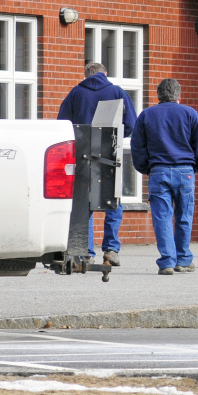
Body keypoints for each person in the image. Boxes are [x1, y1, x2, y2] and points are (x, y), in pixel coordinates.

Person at [57, 61, 138, 266]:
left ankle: (85, 252)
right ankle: (111, 250)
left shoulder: (75, 93)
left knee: (84, 204)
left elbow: (62, 124)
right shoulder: (117, 92)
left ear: (86, 75)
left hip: (82, 155)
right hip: (110, 153)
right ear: (105, 74)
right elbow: (131, 124)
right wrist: (117, 137)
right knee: (113, 201)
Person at [131, 79, 198, 275]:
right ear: (179, 95)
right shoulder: (190, 114)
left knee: (162, 217)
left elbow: (137, 146)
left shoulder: (147, 115)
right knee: (184, 216)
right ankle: (182, 259)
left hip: (159, 170)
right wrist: (197, 165)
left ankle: (167, 261)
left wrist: (145, 167)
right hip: (185, 171)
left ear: (158, 95)